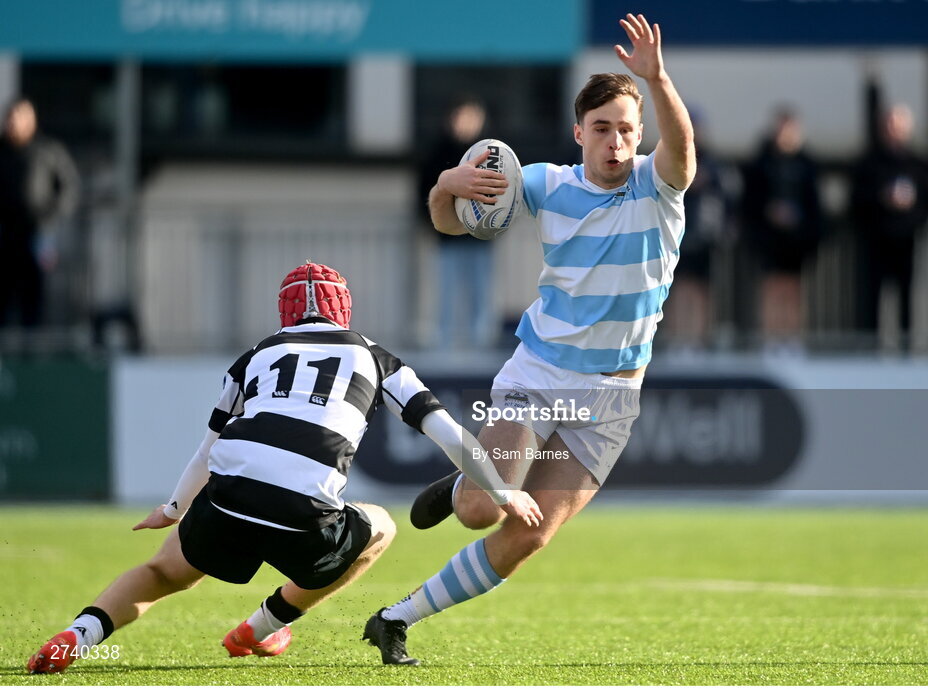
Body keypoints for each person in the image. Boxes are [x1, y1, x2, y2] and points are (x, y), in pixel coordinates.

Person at [365, 13, 695, 663]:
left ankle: (393, 617)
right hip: (540, 373)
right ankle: (464, 487)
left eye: (627, 129)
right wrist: (444, 188)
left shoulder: (658, 188)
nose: (615, 141)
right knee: (481, 512)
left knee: (529, 534)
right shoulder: (545, 183)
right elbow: (450, 225)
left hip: (612, 398)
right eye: (601, 128)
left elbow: (682, 150)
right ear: (580, 133)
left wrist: (657, 79)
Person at [26, 262, 541, 674]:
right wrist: (500, 492)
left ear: (285, 314)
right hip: (303, 517)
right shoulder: (376, 357)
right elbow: (448, 432)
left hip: (226, 499)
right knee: (380, 527)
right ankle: (261, 626)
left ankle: (80, 637)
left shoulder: (257, 354)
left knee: (163, 572)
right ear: (344, 310)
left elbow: (210, 446)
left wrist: (173, 508)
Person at [417, 96, 497, 348]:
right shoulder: (437, 152)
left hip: (480, 240)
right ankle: (444, 343)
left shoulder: (491, 155)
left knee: (480, 293)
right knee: (447, 292)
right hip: (447, 239)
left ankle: (481, 342)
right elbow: (424, 193)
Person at [851, 103, 928, 348]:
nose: (893, 131)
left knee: (907, 295)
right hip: (876, 239)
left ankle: (907, 346)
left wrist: (911, 213)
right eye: (889, 125)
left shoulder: (917, 164)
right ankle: (870, 348)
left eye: (898, 126)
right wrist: (882, 197)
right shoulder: (868, 164)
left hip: (906, 239)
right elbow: (856, 202)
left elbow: (927, 204)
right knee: (871, 296)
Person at [741, 108, 822, 351]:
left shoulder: (806, 164)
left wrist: (801, 223)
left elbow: (814, 204)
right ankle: (772, 339)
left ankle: (793, 339)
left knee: (794, 289)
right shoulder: (762, 161)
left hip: (796, 240)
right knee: (772, 288)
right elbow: (751, 200)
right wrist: (769, 211)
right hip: (769, 239)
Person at [0, 97, 80, 328]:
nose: (15, 122)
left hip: (37, 236)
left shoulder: (47, 150)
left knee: (34, 298)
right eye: (11, 117)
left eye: (21, 116)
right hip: (5, 237)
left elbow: (69, 188)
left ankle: (32, 354)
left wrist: (50, 218)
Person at [661, 106, 732, 350]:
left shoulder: (713, 163)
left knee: (702, 289)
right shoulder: (667, 157)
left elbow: (724, 198)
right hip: (676, 234)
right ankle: (678, 339)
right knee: (678, 288)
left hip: (704, 236)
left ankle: (699, 339)